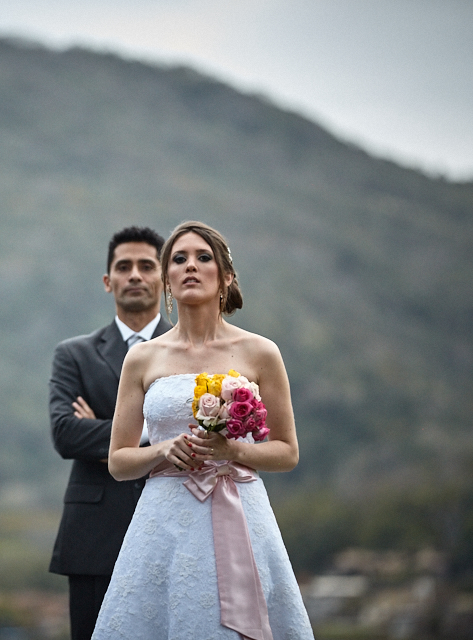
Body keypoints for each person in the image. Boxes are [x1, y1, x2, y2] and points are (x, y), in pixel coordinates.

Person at [92, 221, 313, 640]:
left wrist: (233, 451)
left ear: (226, 276)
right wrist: (161, 451)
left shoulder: (261, 352)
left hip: (240, 508)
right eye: (179, 259)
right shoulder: (142, 358)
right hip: (163, 520)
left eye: (203, 257)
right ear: (167, 280)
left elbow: (287, 452)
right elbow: (118, 462)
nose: (190, 266)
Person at [49, 226, 174, 640]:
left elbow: (199, 434)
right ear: (108, 281)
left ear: (164, 278)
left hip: (174, 524)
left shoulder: (191, 351)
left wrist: (106, 436)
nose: (134, 274)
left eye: (146, 265)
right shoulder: (74, 354)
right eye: (124, 267)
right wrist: (156, 439)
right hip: (94, 536)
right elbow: (65, 434)